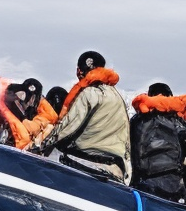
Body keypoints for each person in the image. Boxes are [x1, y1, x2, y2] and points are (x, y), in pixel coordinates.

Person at [33, 51, 131, 183]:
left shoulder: (89, 93)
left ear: (79, 71)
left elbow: (67, 128)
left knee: (50, 157)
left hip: (90, 162)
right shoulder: (118, 98)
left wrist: (41, 146)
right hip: (116, 167)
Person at [128, 82, 186, 203]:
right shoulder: (181, 123)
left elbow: (130, 151)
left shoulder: (137, 120)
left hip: (142, 185)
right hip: (173, 188)